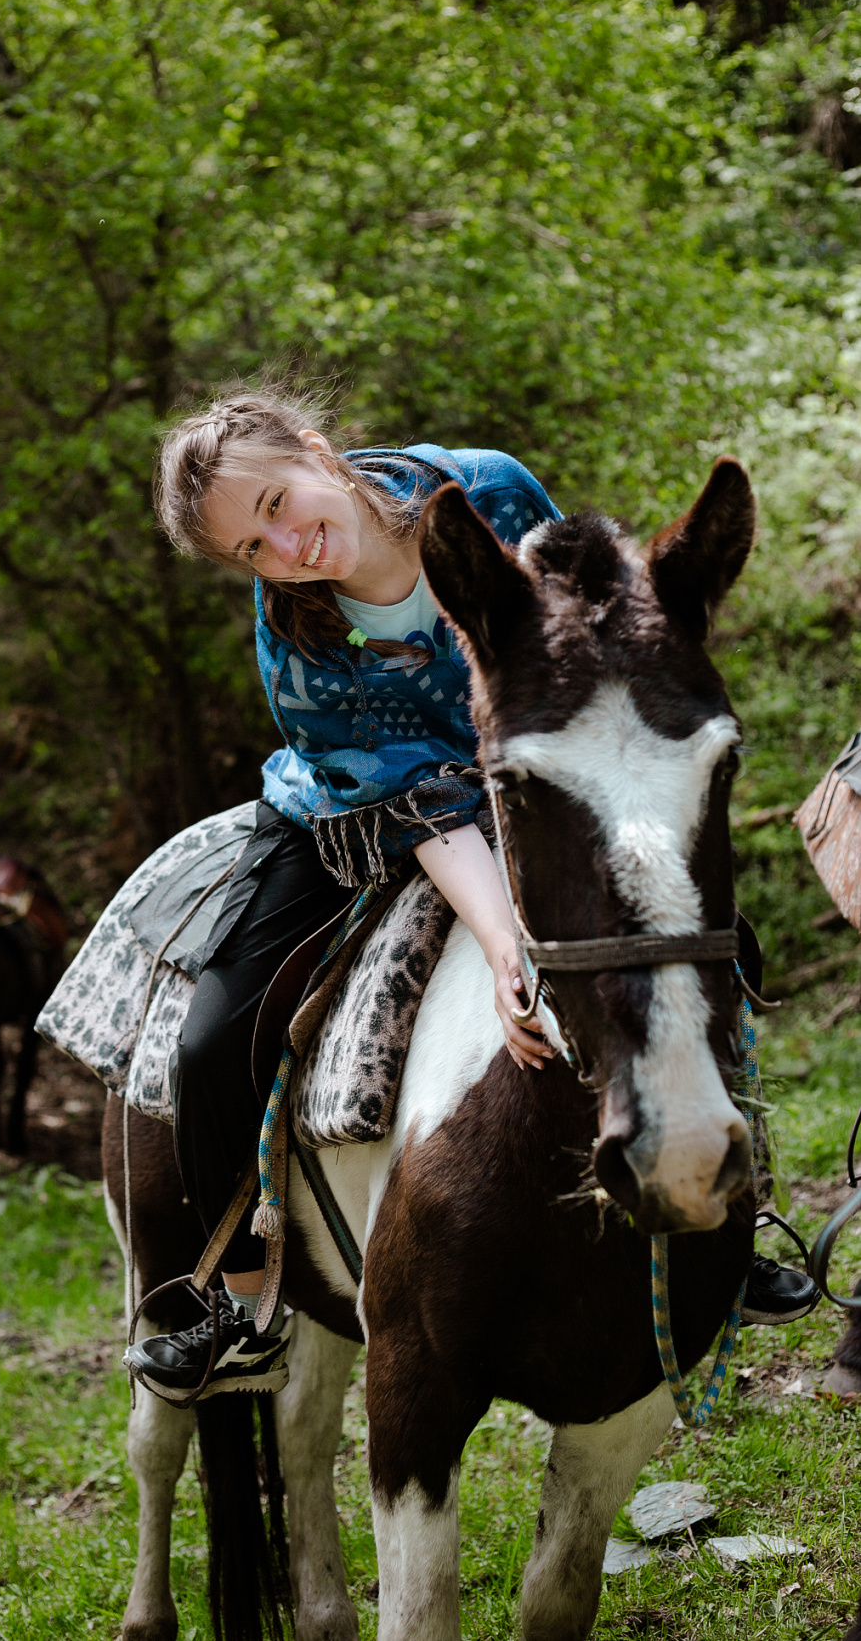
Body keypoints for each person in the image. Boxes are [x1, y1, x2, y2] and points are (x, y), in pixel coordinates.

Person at [124, 388, 817, 1406]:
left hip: (531, 776)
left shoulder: (487, 488)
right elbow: (416, 809)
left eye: (276, 500)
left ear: (317, 451)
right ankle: (240, 1299)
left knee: (712, 944)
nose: (283, 542)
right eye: (250, 547)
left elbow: (585, 635)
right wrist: (504, 945)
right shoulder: (297, 644)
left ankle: (730, 1210)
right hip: (371, 815)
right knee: (214, 1034)